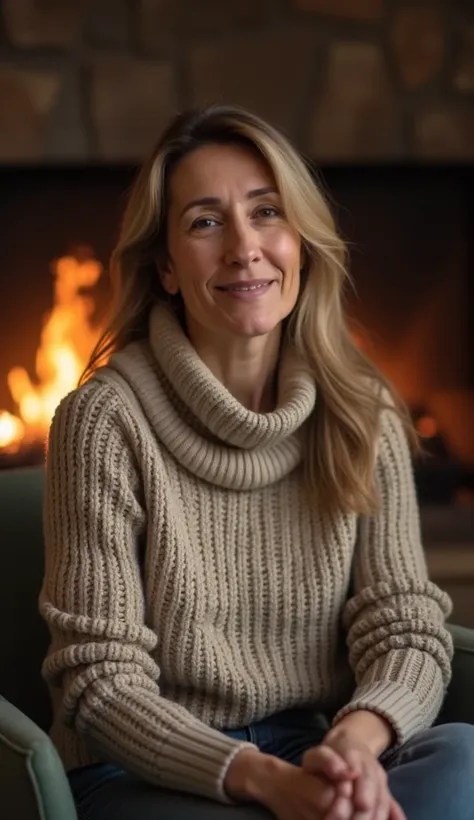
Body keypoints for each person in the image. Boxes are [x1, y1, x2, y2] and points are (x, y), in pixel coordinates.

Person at [39, 104, 474, 820]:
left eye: (266, 212)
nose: (244, 247)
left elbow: (405, 626)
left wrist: (353, 753)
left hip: (317, 744)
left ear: (300, 242)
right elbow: (100, 684)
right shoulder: (104, 422)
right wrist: (267, 782)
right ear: (168, 268)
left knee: (461, 758)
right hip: (153, 771)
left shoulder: (361, 411)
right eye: (206, 221)